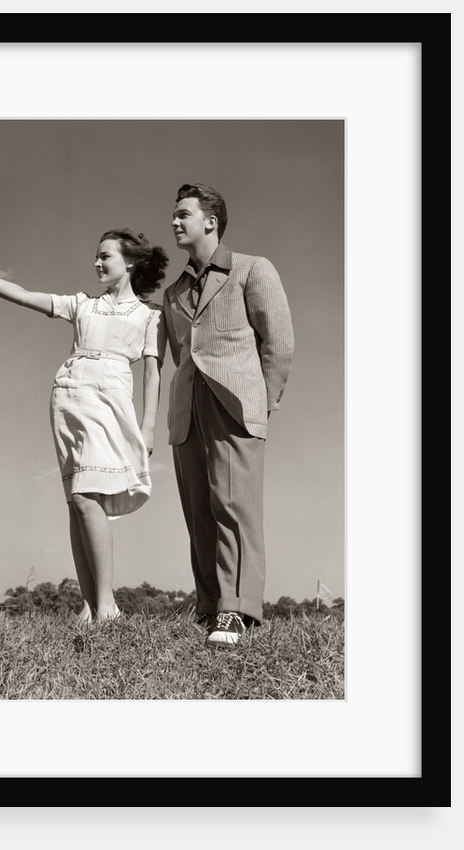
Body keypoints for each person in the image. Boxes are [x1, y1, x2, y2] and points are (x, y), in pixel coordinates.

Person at [0, 229, 168, 623]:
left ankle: (107, 604)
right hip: (68, 396)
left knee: (89, 495)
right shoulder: (82, 305)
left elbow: (153, 373)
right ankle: (90, 604)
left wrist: (147, 427)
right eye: (96, 256)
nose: (96, 262)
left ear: (129, 262)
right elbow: (24, 295)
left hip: (110, 397)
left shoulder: (150, 316)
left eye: (105, 256)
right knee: (77, 500)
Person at [162, 183, 294, 646]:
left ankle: (238, 611)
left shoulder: (252, 270)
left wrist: (262, 403)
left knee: (234, 508)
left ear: (210, 221)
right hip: (188, 410)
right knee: (199, 511)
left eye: (184, 214)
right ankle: (210, 607)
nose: (175, 222)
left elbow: (277, 342)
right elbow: (180, 353)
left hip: (236, 405)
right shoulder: (173, 291)